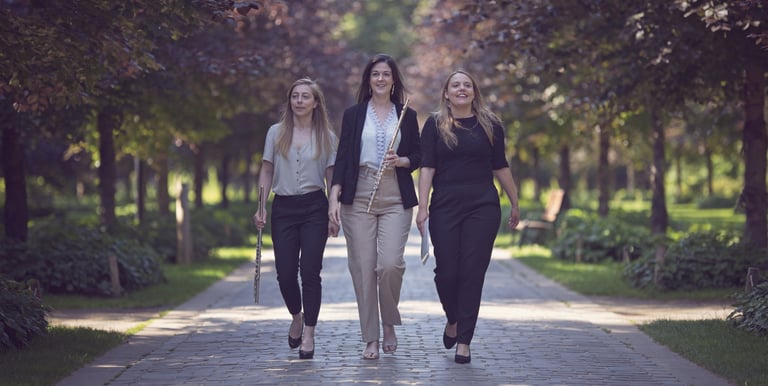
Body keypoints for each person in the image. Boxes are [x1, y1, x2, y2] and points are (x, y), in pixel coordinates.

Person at [415, 70, 520, 364]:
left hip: (483, 205)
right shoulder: (435, 125)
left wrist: (514, 201)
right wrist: (422, 207)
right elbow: (427, 168)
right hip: (445, 202)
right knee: (447, 272)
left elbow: (500, 165)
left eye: (467, 85)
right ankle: (453, 319)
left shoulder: (491, 124)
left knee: (473, 272)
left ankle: (464, 340)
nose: (462, 89)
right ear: (446, 94)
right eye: (455, 85)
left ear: (474, 92)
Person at [328, 54, 421, 360]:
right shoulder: (354, 115)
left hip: (396, 192)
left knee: (390, 264)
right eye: (375, 75)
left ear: (394, 80)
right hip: (359, 191)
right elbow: (342, 158)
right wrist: (334, 197)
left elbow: (418, 157)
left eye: (386, 74)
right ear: (368, 80)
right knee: (364, 269)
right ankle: (371, 337)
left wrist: (402, 160)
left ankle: (389, 321)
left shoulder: (407, 114)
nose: (380, 79)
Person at [253, 78, 339, 360]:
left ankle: (310, 334)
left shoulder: (326, 135)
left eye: (305, 96)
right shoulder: (275, 133)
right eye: (295, 96)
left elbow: (330, 177)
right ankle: (296, 316)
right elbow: (267, 170)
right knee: (286, 272)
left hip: (315, 206)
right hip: (284, 208)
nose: (299, 100)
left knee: (311, 272)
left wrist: (332, 211)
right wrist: (261, 206)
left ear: (316, 103)